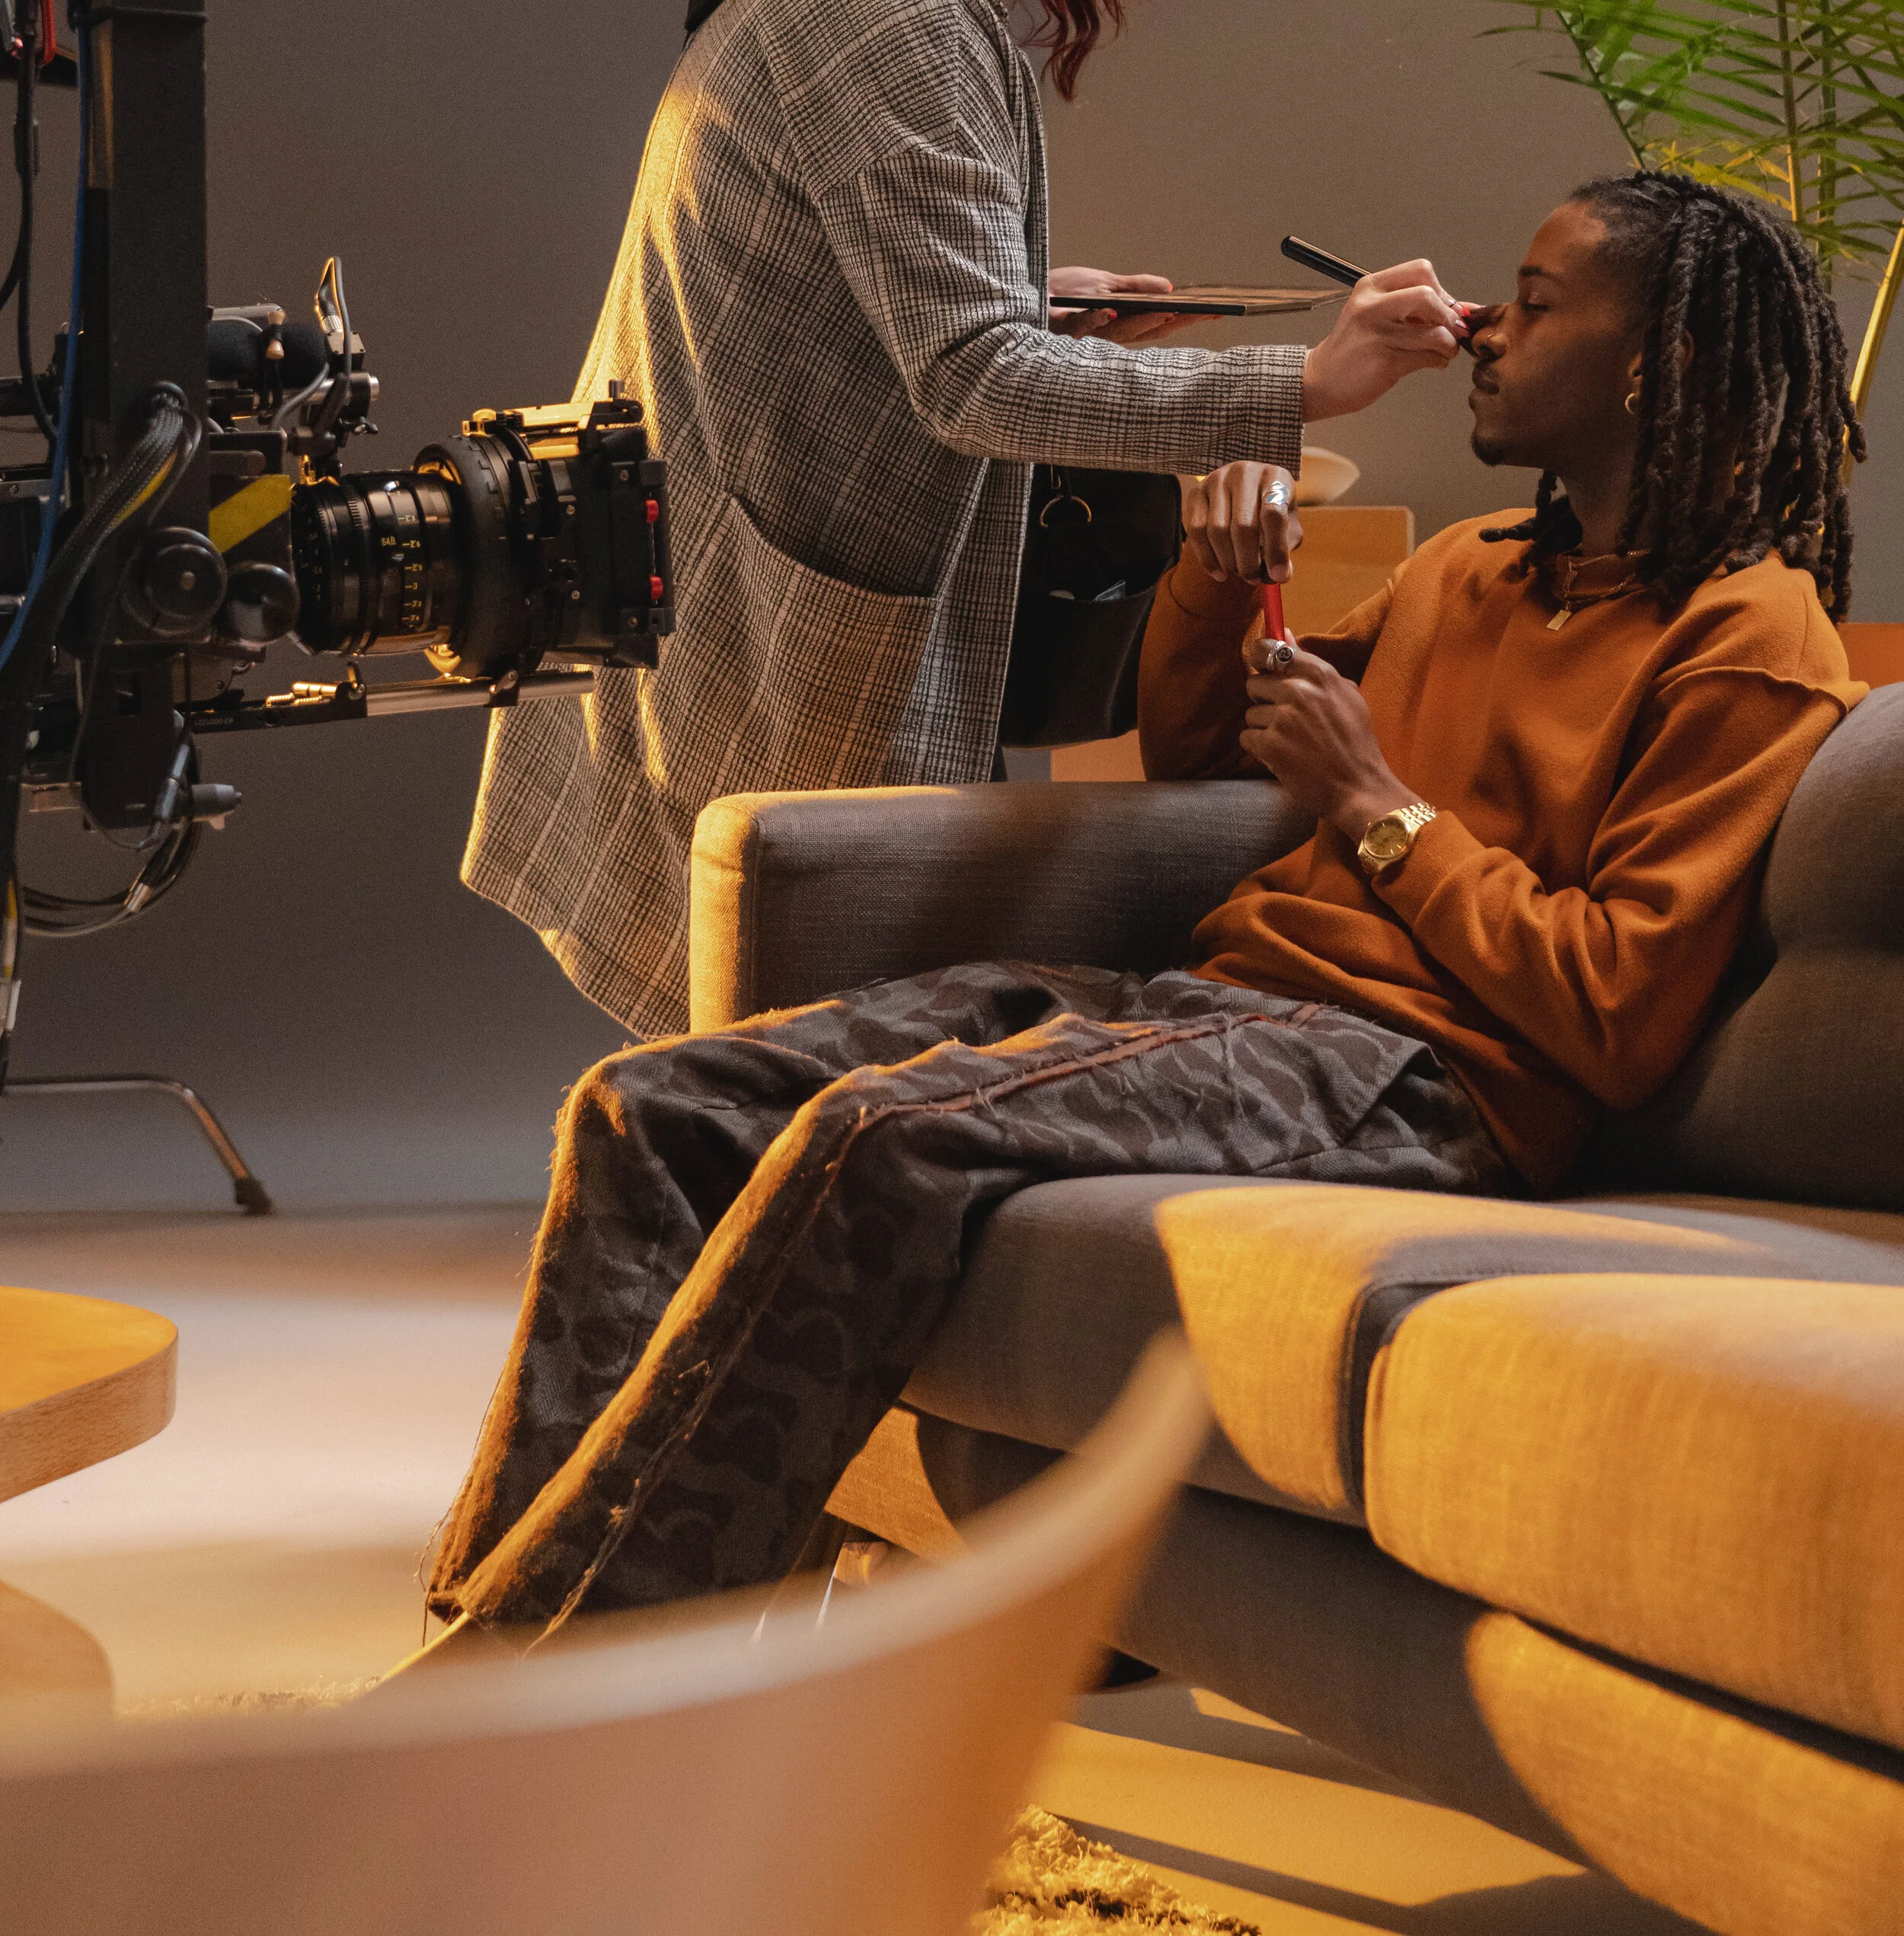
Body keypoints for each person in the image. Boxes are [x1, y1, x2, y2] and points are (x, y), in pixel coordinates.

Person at [409, 168, 1862, 1657]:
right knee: (658, 1101)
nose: (1484, 323)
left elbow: (1616, 1014)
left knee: (879, 1138)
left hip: (1418, 1076)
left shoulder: (1747, 636)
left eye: (1538, 303)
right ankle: (507, 1626)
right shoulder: (1466, 568)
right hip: (1220, 999)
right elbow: (1197, 755)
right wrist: (1209, 573)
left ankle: (548, 1688)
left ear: (1657, 362)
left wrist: (1377, 810)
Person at [460, 0, 1469, 1039]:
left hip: (734, 578)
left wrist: (1024, 290)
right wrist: (1308, 382)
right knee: (792, 1054)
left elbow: (850, 280)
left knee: (789, 1068)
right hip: (773, 619)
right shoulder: (900, 11)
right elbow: (972, 378)